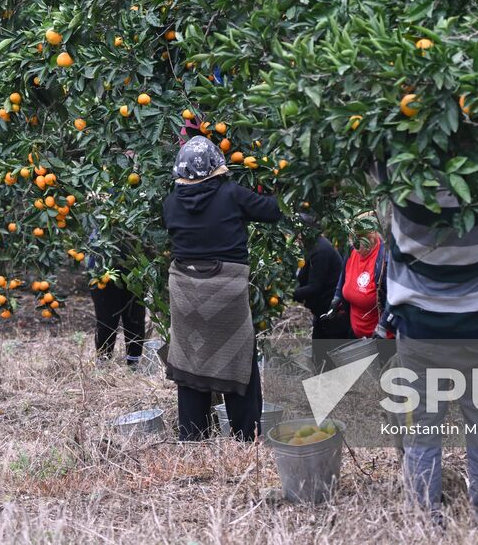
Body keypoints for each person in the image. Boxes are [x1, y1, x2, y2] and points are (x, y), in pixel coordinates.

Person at [374, 141, 478, 522]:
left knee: (421, 434)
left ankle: (425, 521)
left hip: (421, 335)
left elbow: (372, 147)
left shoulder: (403, 181)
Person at [161, 135, 281, 441]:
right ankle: (246, 436)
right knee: (240, 363)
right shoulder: (231, 194)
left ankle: (193, 437)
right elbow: (271, 210)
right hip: (227, 293)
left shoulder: (171, 203)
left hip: (186, 295)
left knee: (190, 365)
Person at [293, 215, 349, 370]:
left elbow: (315, 286)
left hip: (333, 315)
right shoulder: (313, 248)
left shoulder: (321, 250)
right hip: (324, 314)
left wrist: (293, 294)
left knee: (328, 361)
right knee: (320, 358)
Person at [87, 234, 146, 367]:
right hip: (103, 268)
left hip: (135, 265)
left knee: (135, 318)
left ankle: (134, 364)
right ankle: (103, 363)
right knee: (106, 320)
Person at [328, 217, 390, 339]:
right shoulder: (352, 251)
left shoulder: (384, 261)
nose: (357, 249)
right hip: (356, 330)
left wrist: (383, 327)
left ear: (372, 238)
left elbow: (393, 300)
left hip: (379, 337)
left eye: (360, 244)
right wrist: (337, 297)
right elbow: (343, 278)